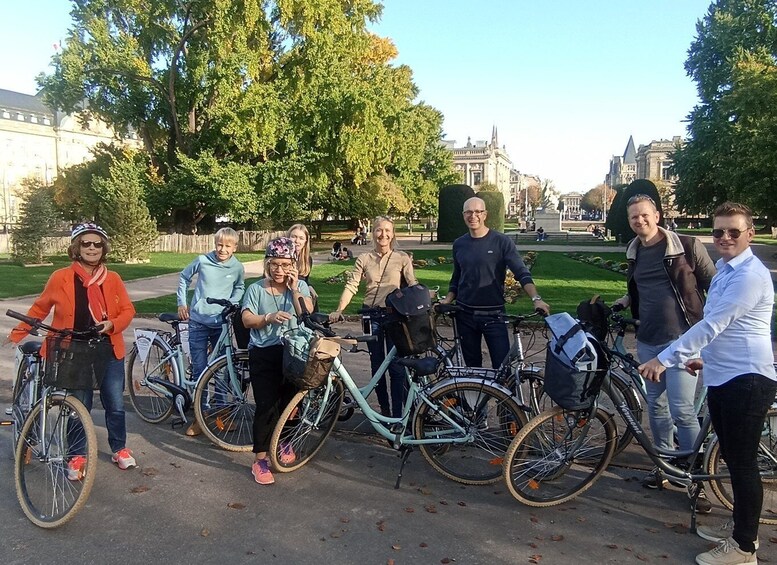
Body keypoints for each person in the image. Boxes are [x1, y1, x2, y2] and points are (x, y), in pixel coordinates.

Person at [639, 202, 776, 565]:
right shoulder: (727, 271)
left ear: (750, 234)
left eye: (734, 232)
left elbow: (711, 326)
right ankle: (742, 533)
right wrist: (702, 358)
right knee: (732, 458)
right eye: (718, 232)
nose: (725, 238)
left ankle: (744, 549)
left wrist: (665, 358)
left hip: (746, 379)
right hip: (725, 375)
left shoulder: (749, 276)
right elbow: (725, 329)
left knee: (742, 465)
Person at [612, 194, 716, 512]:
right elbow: (640, 289)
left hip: (683, 339)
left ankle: (695, 480)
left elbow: (715, 283)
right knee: (656, 408)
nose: (639, 221)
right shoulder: (635, 252)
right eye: (633, 218)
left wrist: (714, 325)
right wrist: (622, 303)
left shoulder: (685, 245)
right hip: (648, 340)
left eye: (644, 215)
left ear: (656, 215)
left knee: (682, 410)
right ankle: (665, 468)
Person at [7, 222, 137, 476]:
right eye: (85, 243)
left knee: (114, 403)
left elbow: (128, 310)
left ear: (103, 248)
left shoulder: (112, 278)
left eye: (96, 243)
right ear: (77, 248)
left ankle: (119, 448)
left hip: (107, 348)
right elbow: (39, 308)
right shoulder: (61, 277)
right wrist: (17, 334)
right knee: (79, 405)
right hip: (74, 349)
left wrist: (112, 324)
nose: (91, 248)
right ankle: (76, 455)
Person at [440, 197, 550, 369]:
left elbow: (521, 272)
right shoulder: (459, 244)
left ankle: (504, 396)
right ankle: (475, 396)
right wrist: (448, 299)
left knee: (502, 367)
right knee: (472, 368)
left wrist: (536, 298)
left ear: (485, 215)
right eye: (468, 212)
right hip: (465, 314)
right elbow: (457, 276)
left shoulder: (501, 241)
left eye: (478, 212)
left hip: (494, 315)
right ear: (463, 215)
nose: (473, 216)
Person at [242, 237, 313, 485]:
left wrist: (295, 290)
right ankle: (260, 460)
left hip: (293, 351)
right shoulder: (255, 289)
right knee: (266, 406)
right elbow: (247, 320)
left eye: (285, 264)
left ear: (293, 263)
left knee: (291, 404)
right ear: (267, 264)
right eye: (274, 264)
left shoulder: (300, 287)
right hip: (264, 352)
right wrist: (268, 317)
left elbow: (307, 313)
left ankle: (284, 442)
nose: (279, 270)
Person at [329, 216, 417, 417]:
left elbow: (413, 286)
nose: (383, 235)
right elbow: (352, 285)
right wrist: (339, 310)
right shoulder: (364, 259)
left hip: (394, 316)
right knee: (377, 367)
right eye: (379, 230)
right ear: (372, 232)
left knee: (396, 368)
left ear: (393, 233)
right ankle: (383, 414)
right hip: (371, 316)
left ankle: (398, 416)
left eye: (387, 230)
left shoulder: (402, 258)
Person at [177, 227, 245, 436]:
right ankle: (200, 416)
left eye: (227, 246)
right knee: (200, 369)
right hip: (198, 321)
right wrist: (182, 302)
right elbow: (184, 277)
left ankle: (221, 414)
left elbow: (240, 287)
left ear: (234, 247)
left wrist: (232, 303)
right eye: (219, 245)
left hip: (222, 323)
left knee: (222, 371)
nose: (222, 249)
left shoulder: (237, 267)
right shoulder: (203, 260)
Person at [287, 223, 317, 308]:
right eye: (294, 237)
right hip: (284, 292)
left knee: (312, 297)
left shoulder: (307, 259)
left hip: (300, 291)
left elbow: (305, 279)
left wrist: (309, 286)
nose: (297, 241)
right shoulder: (281, 258)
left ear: (305, 241)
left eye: (301, 238)